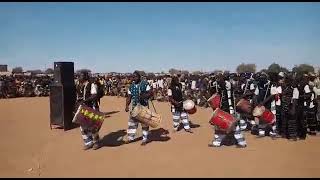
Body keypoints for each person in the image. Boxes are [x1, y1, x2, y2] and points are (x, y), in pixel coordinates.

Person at [125, 71, 153, 146]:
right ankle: (130, 138)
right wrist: (127, 105)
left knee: (144, 124)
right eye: (133, 77)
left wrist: (144, 96)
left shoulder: (145, 84)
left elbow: (150, 93)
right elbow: (129, 97)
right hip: (134, 108)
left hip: (144, 107)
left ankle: (144, 139)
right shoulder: (131, 86)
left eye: (136, 77)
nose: (134, 78)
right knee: (132, 124)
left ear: (139, 77)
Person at [76, 72, 102, 150]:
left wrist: (85, 101)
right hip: (81, 108)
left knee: (93, 126)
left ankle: (96, 142)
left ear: (86, 77)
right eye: (79, 76)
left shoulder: (91, 84)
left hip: (90, 107)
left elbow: (94, 95)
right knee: (82, 126)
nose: (79, 77)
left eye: (81, 75)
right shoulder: (78, 84)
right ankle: (88, 142)